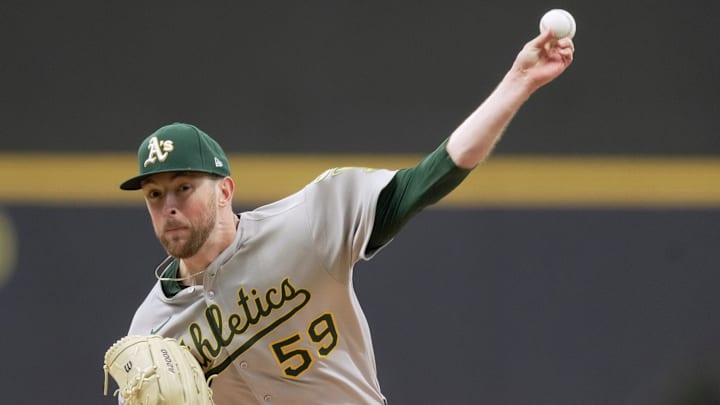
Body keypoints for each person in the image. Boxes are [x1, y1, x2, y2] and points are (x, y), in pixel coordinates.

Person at [116, 30, 574, 404]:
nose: (168, 205)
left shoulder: (307, 224)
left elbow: (430, 177)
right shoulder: (152, 330)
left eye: (184, 188)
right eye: (154, 194)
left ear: (225, 192)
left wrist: (519, 81)